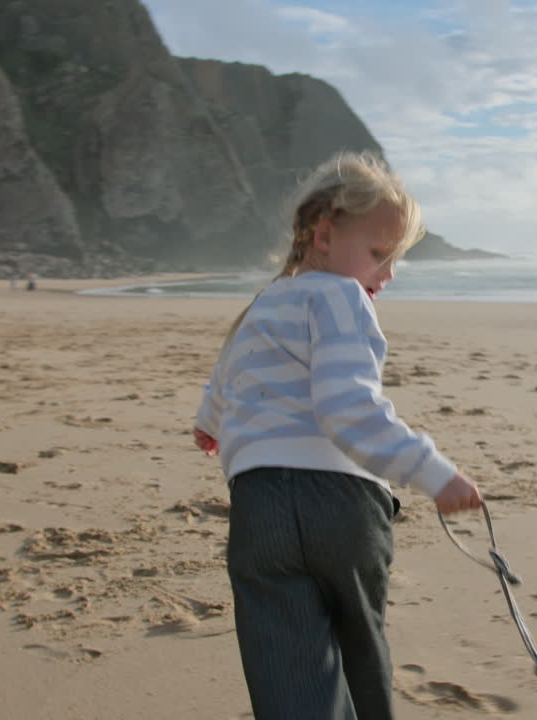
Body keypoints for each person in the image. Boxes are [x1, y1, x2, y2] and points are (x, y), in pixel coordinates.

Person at [194, 151, 482, 720]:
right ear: (324, 235)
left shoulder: (262, 305)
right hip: (341, 504)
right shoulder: (341, 296)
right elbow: (348, 407)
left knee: (287, 664)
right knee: (357, 647)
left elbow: (226, 377)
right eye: (379, 254)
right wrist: (432, 471)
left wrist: (212, 425)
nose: (388, 273)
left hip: (259, 510)